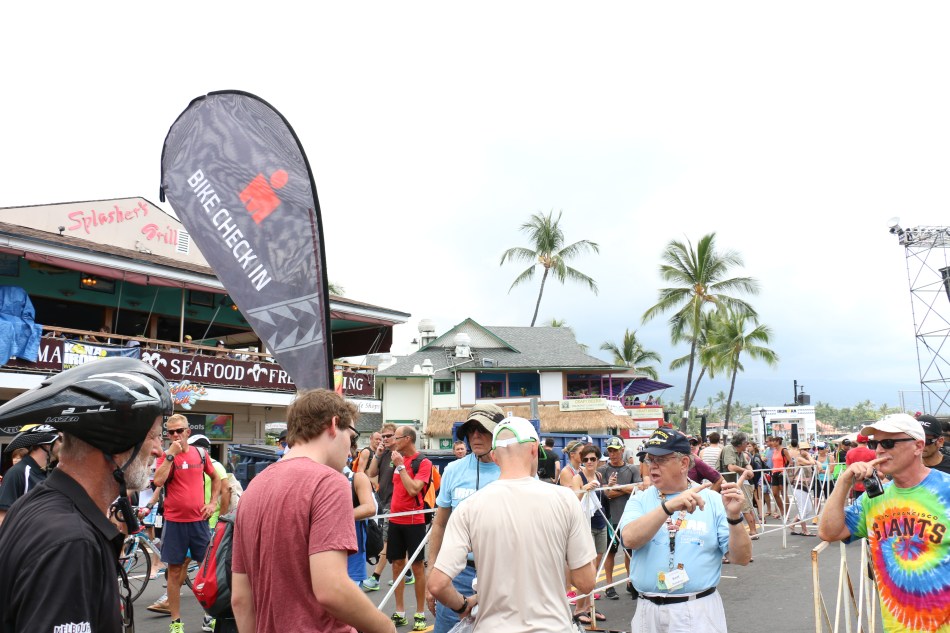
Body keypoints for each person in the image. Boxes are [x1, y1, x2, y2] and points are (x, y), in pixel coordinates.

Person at [0, 357, 170, 633]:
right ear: (115, 441)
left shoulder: (36, 505)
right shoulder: (72, 542)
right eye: (154, 436)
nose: (160, 451)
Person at [230, 389, 396, 633]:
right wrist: (386, 628)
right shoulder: (329, 482)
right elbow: (333, 589)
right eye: (351, 436)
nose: (351, 449)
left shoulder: (254, 488)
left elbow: (241, 598)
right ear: (333, 424)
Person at [428, 416, 596, 632]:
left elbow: (437, 584)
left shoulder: (468, 508)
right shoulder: (565, 499)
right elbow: (586, 582)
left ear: (495, 456)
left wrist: (464, 605)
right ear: (535, 449)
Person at [819, 413, 950, 632]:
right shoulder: (875, 497)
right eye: (874, 443)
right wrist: (843, 482)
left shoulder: (946, 489)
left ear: (918, 446)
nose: (879, 450)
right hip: (896, 625)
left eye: (888, 443)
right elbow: (829, 532)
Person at [619, 428, 752, 633]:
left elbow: (741, 558)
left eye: (660, 460)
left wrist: (734, 518)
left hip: (697, 610)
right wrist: (668, 508)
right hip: (648, 610)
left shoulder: (713, 500)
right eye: (649, 460)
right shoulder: (639, 499)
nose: (652, 467)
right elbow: (629, 539)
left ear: (683, 463)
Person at [426, 403, 504, 633]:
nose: (475, 436)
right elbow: (439, 523)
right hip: (458, 572)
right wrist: (433, 571)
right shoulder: (452, 470)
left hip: (500, 573)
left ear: (498, 434)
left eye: (483, 429)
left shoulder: (512, 471)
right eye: (471, 430)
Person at [149, 414, 223, 633]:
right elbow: (159, 481)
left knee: (206, 571)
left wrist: (212, 503)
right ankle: (176, 622)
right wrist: (171, 455)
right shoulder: (165, 456)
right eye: (170, 432)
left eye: (179, 431)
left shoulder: (200, 453)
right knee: (174, 572)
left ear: (187, 432)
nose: (175, 435)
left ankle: (209, 616)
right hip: (174, 523)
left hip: (199, 522)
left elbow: (217, 478)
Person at [386, 426, 432, 631]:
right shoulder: (396, 459)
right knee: (396, 565)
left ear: (407, 439)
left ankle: (420, 613)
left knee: (417, 567)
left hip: (414, 521)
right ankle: (400, 611)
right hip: (395, 520)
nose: (393, 441)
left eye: (396, 438)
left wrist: (401, 467)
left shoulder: (423, 462)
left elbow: (414, 488)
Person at [599, 436, 641, 600]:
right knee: (610, 552)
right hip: (610, 516)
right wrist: (622, 489)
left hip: (629, 515)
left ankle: (631, 582)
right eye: (610, 451)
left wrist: (618, 488)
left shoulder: (632, 469)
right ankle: (609, 585)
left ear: (622, 450)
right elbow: (605, 494)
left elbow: (637, 489)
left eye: (616, 450)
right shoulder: (602, 470)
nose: (613, 454)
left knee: (630, 551)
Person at [362, 423, 400, 591]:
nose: (384, 439)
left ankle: (376, 577)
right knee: (394, 541)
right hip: (382, 500)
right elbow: (370, 474)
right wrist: (377, 455)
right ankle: (407, 574)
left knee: (385, 540)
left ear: (396, 436)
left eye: (388, 436)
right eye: (383, 436)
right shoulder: (383, 453)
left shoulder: (399, 455)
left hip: (394, 502)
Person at [0, 424, 61, 526]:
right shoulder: (17, 472)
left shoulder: (48, 474)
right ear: (47, 444)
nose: (63, 445)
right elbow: (2, 518)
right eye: (60, 440)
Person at [719, 432, 758, 542]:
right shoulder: (729, 449)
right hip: (725, 484)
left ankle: (752, 531)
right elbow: (731, 467)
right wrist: (746, 471)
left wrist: (749, 470)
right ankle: (734, 534)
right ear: (742, 443)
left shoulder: (741, 452)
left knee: (746, 506)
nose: (748, 444)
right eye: (747, 442)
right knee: (738, 508)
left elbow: (746, 464)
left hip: (735, 483)